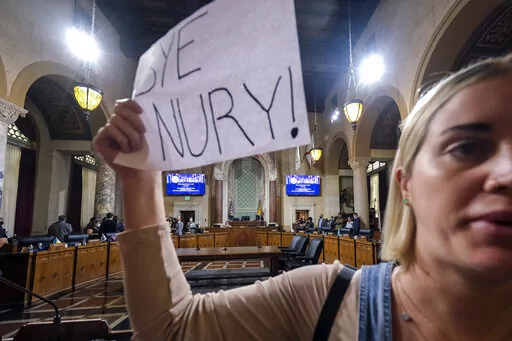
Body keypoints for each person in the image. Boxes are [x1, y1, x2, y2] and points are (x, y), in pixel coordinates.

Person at [94, 55, 512, 340]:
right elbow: (172, 330)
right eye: (467, 148)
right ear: (406, 183)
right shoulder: (328, 297)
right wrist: (140, 178)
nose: (507, 174)